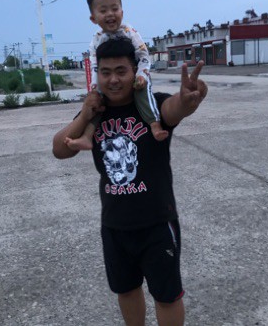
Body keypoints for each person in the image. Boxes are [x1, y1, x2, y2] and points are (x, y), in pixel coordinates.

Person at [53, 38, 207, 326]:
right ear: (98, 74)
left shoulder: (152, 105)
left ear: (135, 71)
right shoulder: (94, 115)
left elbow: (174, 108)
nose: (113, 80)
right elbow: (59, 149)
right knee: (125, 290)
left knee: (167, 296)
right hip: (114, 225)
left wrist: (186, 102)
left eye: (121, 71)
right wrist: (85, 113)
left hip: (157, 224)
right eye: (106, 72)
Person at [65, 0, 168, 152]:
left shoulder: (129, 31)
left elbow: (143, 55)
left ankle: (154, 124)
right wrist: (94, 88)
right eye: (103, 11)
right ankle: (87, 136)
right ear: (93, 18)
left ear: (122, 12)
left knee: (143, 93)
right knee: (96, 102)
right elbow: (95, 66)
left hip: (136, 75)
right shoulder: (96, 40)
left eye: (114, 9)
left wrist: (141, 75)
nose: (110, 14)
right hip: (106, 80)